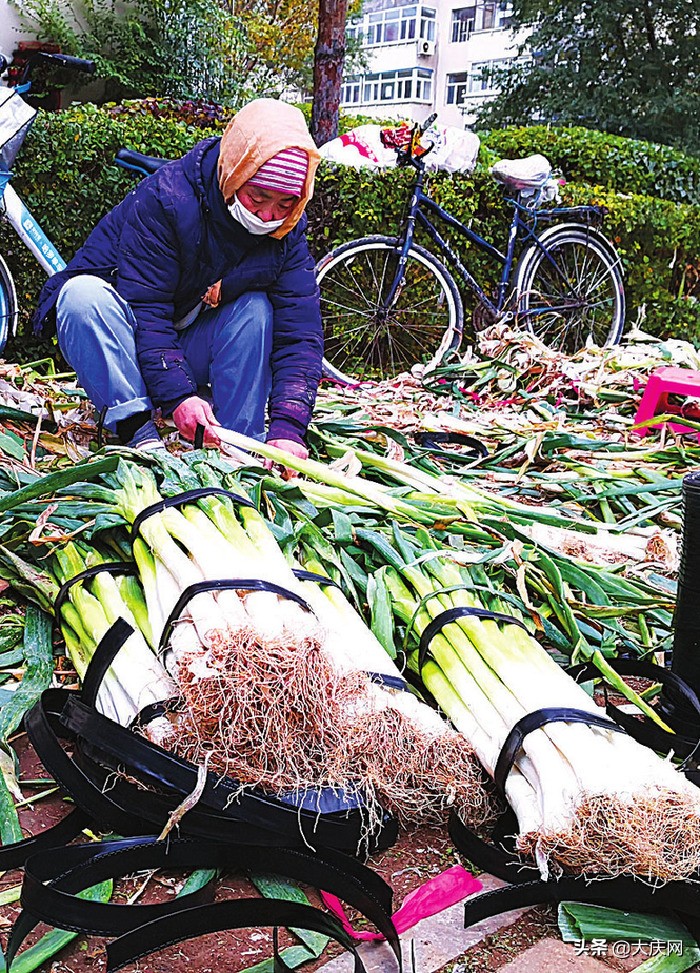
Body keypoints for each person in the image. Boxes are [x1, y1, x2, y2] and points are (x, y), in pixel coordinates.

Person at [33, 99, 323, 460]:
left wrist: (289, 428)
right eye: (258, 197)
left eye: (284, 204)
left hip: (185, 343)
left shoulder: (287, 232)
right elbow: (146, 309)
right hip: (125, 343)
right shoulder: (167, 200)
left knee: (255, 309)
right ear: (234, 170)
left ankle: (240, 445)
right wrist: (178, 397)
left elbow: (300, 330)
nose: (268, 215)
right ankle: (136, 433)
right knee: (80, 297)